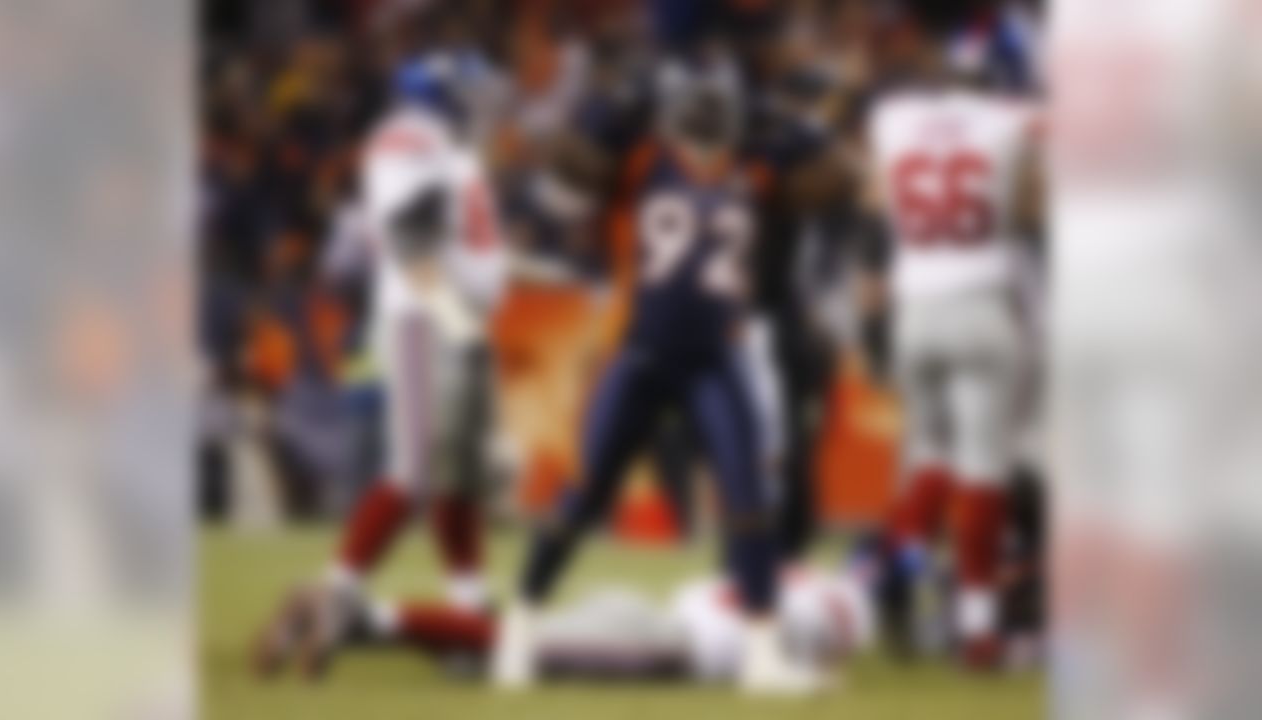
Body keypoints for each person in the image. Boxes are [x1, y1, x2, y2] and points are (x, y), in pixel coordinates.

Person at [492, 57, 823, 694]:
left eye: (715, 104)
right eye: (693, 104)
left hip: (717, 356)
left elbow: (834, 179)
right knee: (584, 496)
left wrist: (796, 126)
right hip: (638, 352)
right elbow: (568, 164)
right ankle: (521, 627)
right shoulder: (639, 160)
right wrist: (603, 112)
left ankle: (762, 654)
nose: (704, 116)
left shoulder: (756, 167)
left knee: (750, 499)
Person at [254, 51, 509, 678]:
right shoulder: (407, 137)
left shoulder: (447, 146)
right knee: (416, 468)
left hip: (451, 317)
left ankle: (466, 610)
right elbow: (407, 240)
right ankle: (335, 595)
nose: (484, 110)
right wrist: (457, 319)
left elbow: (456, 238)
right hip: (424, 316)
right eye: (471, 96)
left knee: (458, 476)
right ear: (438, 97)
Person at [862, 12, 1042, 670]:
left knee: (929, 461)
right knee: (984, 472)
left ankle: (900, 578)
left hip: (915, 310)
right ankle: (978, 626)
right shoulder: (1012, 122)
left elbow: (875, 199)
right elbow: (1032, 207)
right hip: (982, 304)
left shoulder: (892, 121)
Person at [260, 559, 875, 687]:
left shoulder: (802, 570)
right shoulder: (840, 614)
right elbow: (815, 664)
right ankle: (357, 611)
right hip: (665, 645)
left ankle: (352, 624)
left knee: (481, 661)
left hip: (651, 608)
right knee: (510, 648)